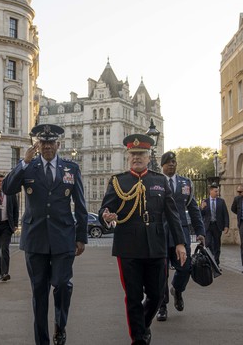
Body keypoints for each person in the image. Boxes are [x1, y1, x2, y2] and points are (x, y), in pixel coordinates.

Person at [3, 124, 87, 345]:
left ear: (59, 145)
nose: (48, 146)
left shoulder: (71, 169)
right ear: (37, 145)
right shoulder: (28, 167)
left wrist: (81, 237)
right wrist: (24, 162)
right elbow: (7, 188)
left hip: (63, 238)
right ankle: (42, 340)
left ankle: (60, 325)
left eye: (51, 143)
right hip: (35, 239)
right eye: (44, 143)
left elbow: (80, 205)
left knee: (62, 285)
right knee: (39, 293)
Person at [100, 135, 187, 345]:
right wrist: (106, 217)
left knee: (157, 295)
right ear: (128, 156)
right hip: (128, 247)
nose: (136, 158)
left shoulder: (159, 180)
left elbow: (172, 214)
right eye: (133, 154)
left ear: (149, 157)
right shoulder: (118, 181)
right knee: (133, 296)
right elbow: (106, 209)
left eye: (141, 154)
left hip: (156, 246)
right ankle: (138, 339)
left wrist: (180, 243)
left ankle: (143, 325)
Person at [157, 151, 205, 322]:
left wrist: (200, 231)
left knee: (185, 267)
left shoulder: (186, 183)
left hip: (181, 233)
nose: (171, 164)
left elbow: (193, 209)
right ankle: (162, 306)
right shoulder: (155, 182)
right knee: (161, 273)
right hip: (160, 233)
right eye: (168, 162)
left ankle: (177, 290)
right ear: (162, 165)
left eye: (174, 162)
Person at [200, 184, 229, 266]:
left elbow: (225, 214)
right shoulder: (205, 201)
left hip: (217, 226)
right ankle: (209, 260)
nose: (217, 193)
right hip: (208, 226)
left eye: (218, 191)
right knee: (208, 243)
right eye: (216, 191)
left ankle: (216, 263)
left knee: (217, 244)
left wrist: (226, 226)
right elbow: (201, 215)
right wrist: (202, 208)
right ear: (211, 191)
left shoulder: (221, 201)